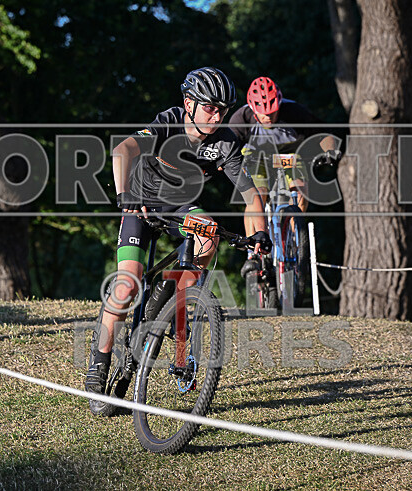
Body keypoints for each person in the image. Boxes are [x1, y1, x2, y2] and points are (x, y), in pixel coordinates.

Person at [85, 67, 271, 405]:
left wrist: (259, 233)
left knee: (209, 232)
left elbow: (251, 197)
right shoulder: (167, 123)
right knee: (126, 286)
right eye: (210, 108)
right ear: (189, 104)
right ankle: (99, 361)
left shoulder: (226, 142)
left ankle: (171, 293)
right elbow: (123, 150)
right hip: (141, 206)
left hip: (180, 208)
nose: (217, 116)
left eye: (223, 110)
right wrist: (125, 194)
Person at [228, 77, 339, 276]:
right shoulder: (241, 118)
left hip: (289, 155)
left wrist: (330, 151)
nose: (268, 117)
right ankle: (253, 254)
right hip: (256, 156)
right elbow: (227, 145)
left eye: (272, 112)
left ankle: (293, 239)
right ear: (253, 109)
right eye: (263, 114)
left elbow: (324, 134)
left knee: (300, 189)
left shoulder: (295, 112)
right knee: (257, 195)